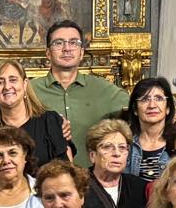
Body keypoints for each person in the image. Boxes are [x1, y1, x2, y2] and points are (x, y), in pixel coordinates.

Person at [31, 21, 127, 170]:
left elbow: (141, 106)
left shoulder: (103, 89)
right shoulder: (30, 91)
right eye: (58, 43)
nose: (67, 48)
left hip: (93, 181)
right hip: (43, 181)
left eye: (73, 43)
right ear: (48, 53)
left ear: (81, 52)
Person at [0, 57, 71, 169]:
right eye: (0, 82)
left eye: (13, 80)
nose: (7, 87)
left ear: (25, 85)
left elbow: (67, 171)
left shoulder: (49, 121)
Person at [81, 118, 149, 208]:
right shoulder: (79, 187)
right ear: (92, 155)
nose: (117, 153)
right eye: (107, 147)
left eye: (122, 148)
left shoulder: (140, 188)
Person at [124, 77, 176, 182]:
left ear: (168, 108)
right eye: (144, 99)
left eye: (159, 98)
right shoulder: (125, 143)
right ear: (135, 109)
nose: (152, 105)